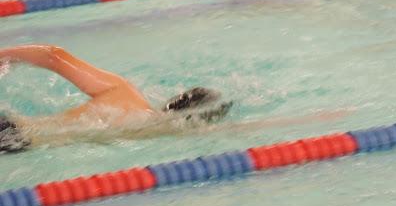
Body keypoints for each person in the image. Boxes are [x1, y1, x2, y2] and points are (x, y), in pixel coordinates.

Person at [0, 44, 233, 152]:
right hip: (21, 144)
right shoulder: (163, 131)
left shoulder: (123, 95)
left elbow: (54, 56)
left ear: (175, 100)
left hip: (12, 129)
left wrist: (5, 55)